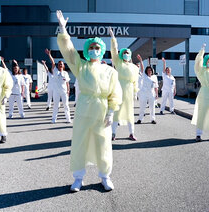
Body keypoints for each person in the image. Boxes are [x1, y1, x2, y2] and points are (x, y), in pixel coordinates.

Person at [56, 10, 122, 192]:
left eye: (97, 47)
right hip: (84, 109)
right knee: (80, 142)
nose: (94, 50)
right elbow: (69, 52)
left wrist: (111, 111)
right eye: (91, 47)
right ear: (87, 50)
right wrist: (63, 31)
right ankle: (78, 178)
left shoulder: (111, 71)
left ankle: (105, 176)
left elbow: (115, 92)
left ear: (102, 50)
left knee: (103, 143)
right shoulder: (81, 66)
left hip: (102, 111)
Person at [109, 27, 139, 141]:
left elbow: (135, 80)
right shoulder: (119, 63)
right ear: (122, 54)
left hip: (129, 92)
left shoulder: (134, 67)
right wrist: (113, 38)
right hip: (119, 90)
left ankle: (131, 133)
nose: (126, 54)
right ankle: (113, 133)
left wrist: (135, 92)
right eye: (124, 52)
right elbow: (114, 50)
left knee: (130, 113)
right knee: (117, 112)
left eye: (128, 52)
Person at [45, 48, 71, 123]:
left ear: (63, 66)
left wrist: (68, 90)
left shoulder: (65, 73)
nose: (60, 65)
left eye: (61, 64)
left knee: (66, 105)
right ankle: (54, 119)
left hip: (64, 92)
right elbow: (53, 62)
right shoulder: (55, 71)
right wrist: (49, 54)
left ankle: (68, 119)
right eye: (59, 64)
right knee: (56, 106)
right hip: (56, 92)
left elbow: (67, 83)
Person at [136, 54, 158, 124]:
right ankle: (140, 119)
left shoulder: (154, 77)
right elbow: (142, 68)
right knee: (142, 106)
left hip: (151, 93)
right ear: (146, 71)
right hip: (144, 93)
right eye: (148, 70)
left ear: (152, 71)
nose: (149, 71)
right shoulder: (144, 76)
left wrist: (156, 94)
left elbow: (156, 86)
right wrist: (141, 60)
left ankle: (152, 119)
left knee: (152, 107)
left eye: (150, 70)